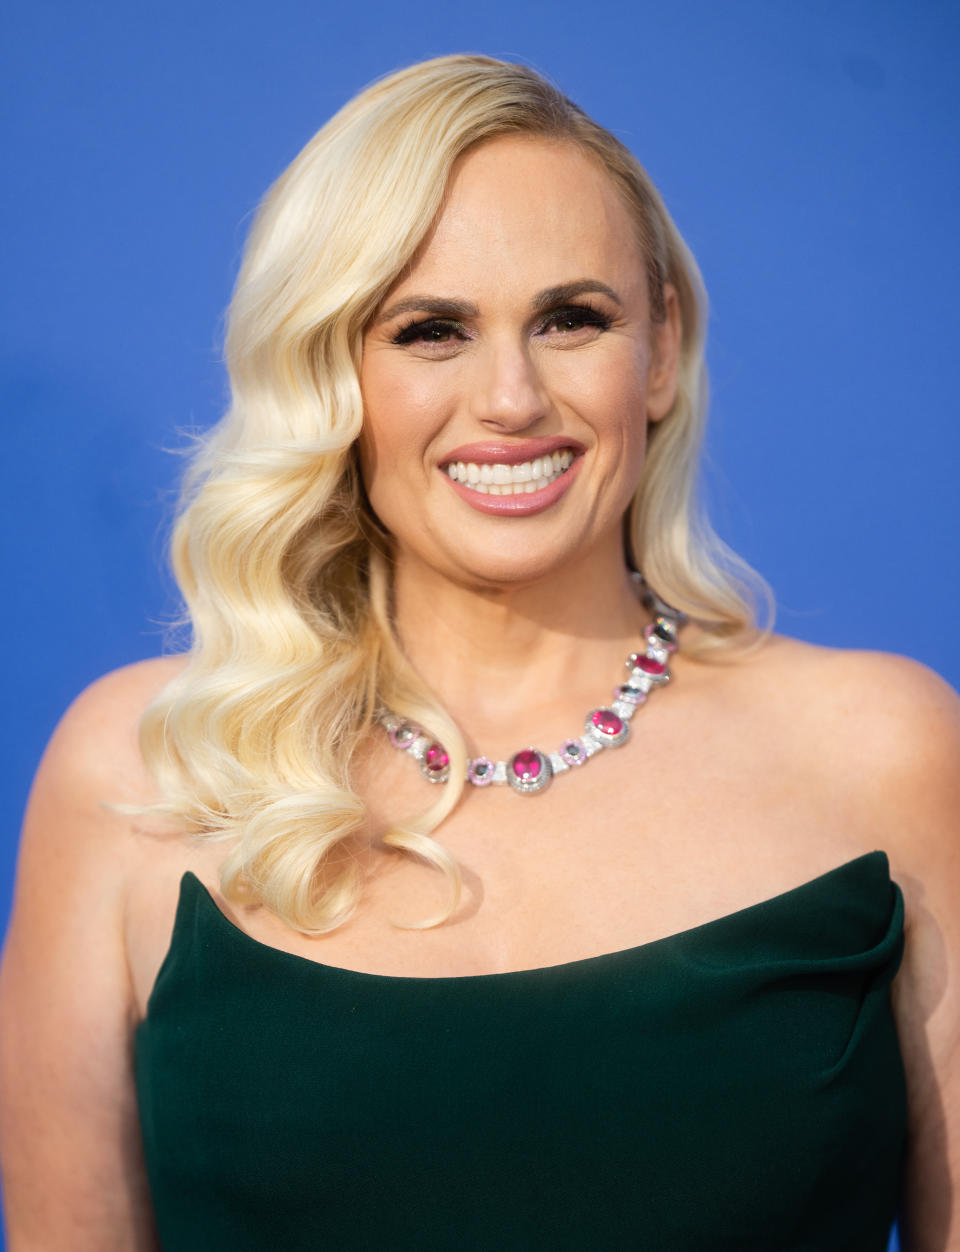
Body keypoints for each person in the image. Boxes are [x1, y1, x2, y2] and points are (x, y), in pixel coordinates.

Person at [0, 52, 957, 1251]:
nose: (511, 397)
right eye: (430, 329)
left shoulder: (882, 752)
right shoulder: (143, 774)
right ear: (331, 371)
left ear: (660, 350)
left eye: (572, 318)